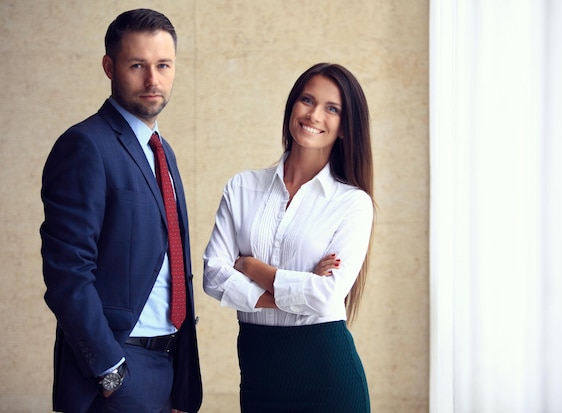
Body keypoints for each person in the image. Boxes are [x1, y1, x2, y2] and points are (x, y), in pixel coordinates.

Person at [40, 9, 202, 413]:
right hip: (117, 373)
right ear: (109, 67)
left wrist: (178, 374)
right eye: (137, 65)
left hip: (169, 367)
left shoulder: (162, 153)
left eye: (163, 65)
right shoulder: (85, 146)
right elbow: (66, 271)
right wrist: (110, 371)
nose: (153, 80)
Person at [203, 62, 374, 412]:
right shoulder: (242, 187)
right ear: (292, 106)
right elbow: (213, 276)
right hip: (258, 371)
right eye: (307, 100)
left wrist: (250, 266)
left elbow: (327, 294)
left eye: (332, 108)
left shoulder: (353, 203)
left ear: (344, 127)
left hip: (327, 377)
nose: (314, 114)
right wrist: (298, 288)